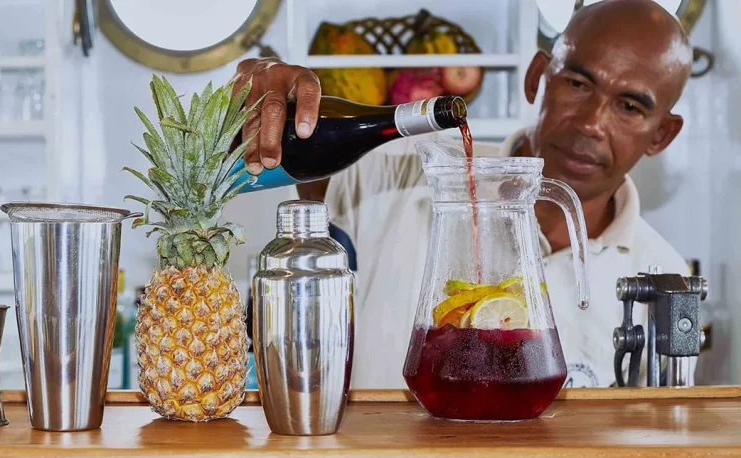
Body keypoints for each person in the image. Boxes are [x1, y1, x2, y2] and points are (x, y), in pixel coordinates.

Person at [233, 0, 694, 388]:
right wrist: (267, 106)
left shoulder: (665, 275)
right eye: (577, 84)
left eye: (629, 106)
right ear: (537, 77)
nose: (592, 122)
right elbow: (299, 155)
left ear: (662, 136)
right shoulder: (404, 170)